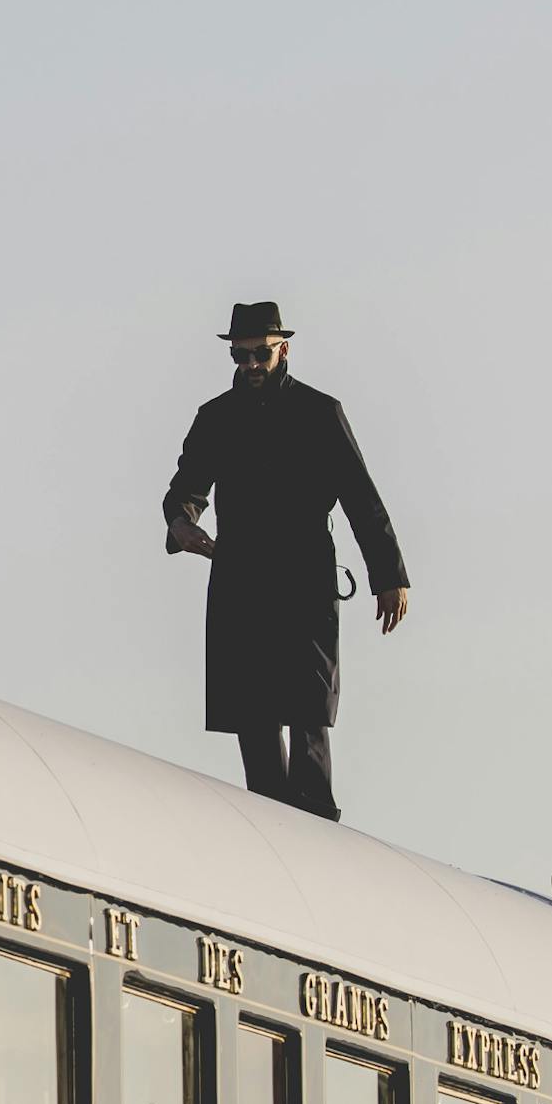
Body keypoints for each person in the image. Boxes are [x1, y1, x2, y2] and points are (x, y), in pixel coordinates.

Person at [158, 300, 409, 820]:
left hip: (305, 581)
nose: (251, 365)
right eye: (241, 356)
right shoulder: (216, 418)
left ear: (284, 350)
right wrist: (180, 523)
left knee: (308, 712)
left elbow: (362, 499)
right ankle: (270, 832)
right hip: (241, 580)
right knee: (254, 720)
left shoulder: (319, 412)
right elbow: (186, 488)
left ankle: (317, 831)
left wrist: (389, 577)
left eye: (261, 354)